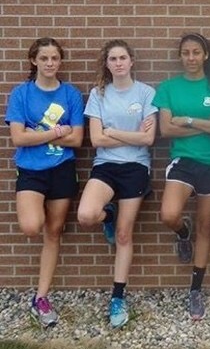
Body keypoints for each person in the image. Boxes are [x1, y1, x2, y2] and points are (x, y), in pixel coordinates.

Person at [152, 32, 210, 321]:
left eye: (196, 52)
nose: (191, 58)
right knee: (168, 214)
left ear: (205, 55)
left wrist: (187, 120)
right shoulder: (168, 88)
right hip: (183, 162)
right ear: (180, 56)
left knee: (206, 226)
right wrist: (207, 124)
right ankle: (181, 232)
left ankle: (195, 290)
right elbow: (166, 130)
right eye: (185, 53)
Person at [77, 40, 158, 328]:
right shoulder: (99, 94)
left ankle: (118, 297)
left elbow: (148, 139)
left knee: (124, 235)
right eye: (113, 58)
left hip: (136, 166)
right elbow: (97, 140)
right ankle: (107, 215)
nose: (119, 63)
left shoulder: (147, 93)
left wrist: (112, 130)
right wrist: (128, 134)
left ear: (131, 61)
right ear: (107, 64)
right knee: (87, 215)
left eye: (123, 57)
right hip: (106, 166)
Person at [5, 37, 84, 327]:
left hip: (62, 169)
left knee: (54, 231)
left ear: (59, 62)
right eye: (45, 58)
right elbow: (18, 138)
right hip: (31, 170)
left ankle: (41, 297)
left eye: (55, 59)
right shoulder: (21, 94)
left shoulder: (71, 94)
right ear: (34, 61)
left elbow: (76, 139)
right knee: (30, 226)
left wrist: (35, 133)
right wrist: (55, 133)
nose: (50, 63)